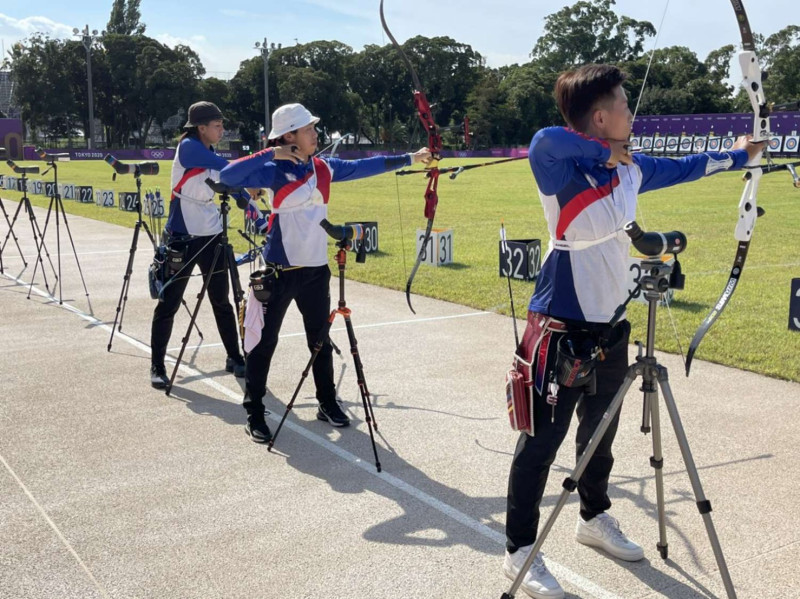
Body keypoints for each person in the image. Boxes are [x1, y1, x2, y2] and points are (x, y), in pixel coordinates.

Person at [504, 64, 764, 599]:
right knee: (539, 445)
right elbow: (543, 140)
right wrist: (604, 153)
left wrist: (741, 155)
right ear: (600, 117)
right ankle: (519, 552)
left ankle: (592, 517)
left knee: (600, 435)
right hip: (560, 326)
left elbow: (689, 165)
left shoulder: (632, 168)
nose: (632, 110)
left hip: (610, 327)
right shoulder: (562, 171)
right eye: (624, 104)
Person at [220, 103, 431, 443]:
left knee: (319, 341)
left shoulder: (324, 167)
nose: (315, 134)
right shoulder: (273, 168)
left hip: (316, 271)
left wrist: (411, 158)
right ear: (289, 136)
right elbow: (227, 176)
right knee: (263, 344)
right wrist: (272, 152)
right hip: (279, 270)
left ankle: (327, 401)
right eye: (308, 129)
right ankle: (255, 411)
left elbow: (365, 166)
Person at [149, 101, 248, 389]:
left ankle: (234, 356)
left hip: (213, 233)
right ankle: (157, 364)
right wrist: (247, 174)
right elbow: (225, 168)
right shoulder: (189, 148)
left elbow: (225, 179)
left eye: (222, 125)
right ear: (201, 128)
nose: (222, 130)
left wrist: (244, 194)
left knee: (221, 299)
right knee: (169, 303)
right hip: (182, 235)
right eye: (217, 126)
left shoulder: (209, 151)